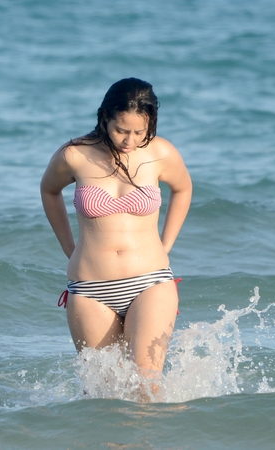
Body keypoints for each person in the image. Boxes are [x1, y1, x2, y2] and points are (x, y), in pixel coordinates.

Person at [41, 78, 193, 396]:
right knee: (101, 393)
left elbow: (183, 188)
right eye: (122, 130)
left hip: (150, 282)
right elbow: (49, 190)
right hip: (90, 290)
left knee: (146, 384)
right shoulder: (75, 155)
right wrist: (70, 248)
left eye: (140, 131)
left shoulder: (160, 152)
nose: (130, 140)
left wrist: (166, 244)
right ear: (105, 117)